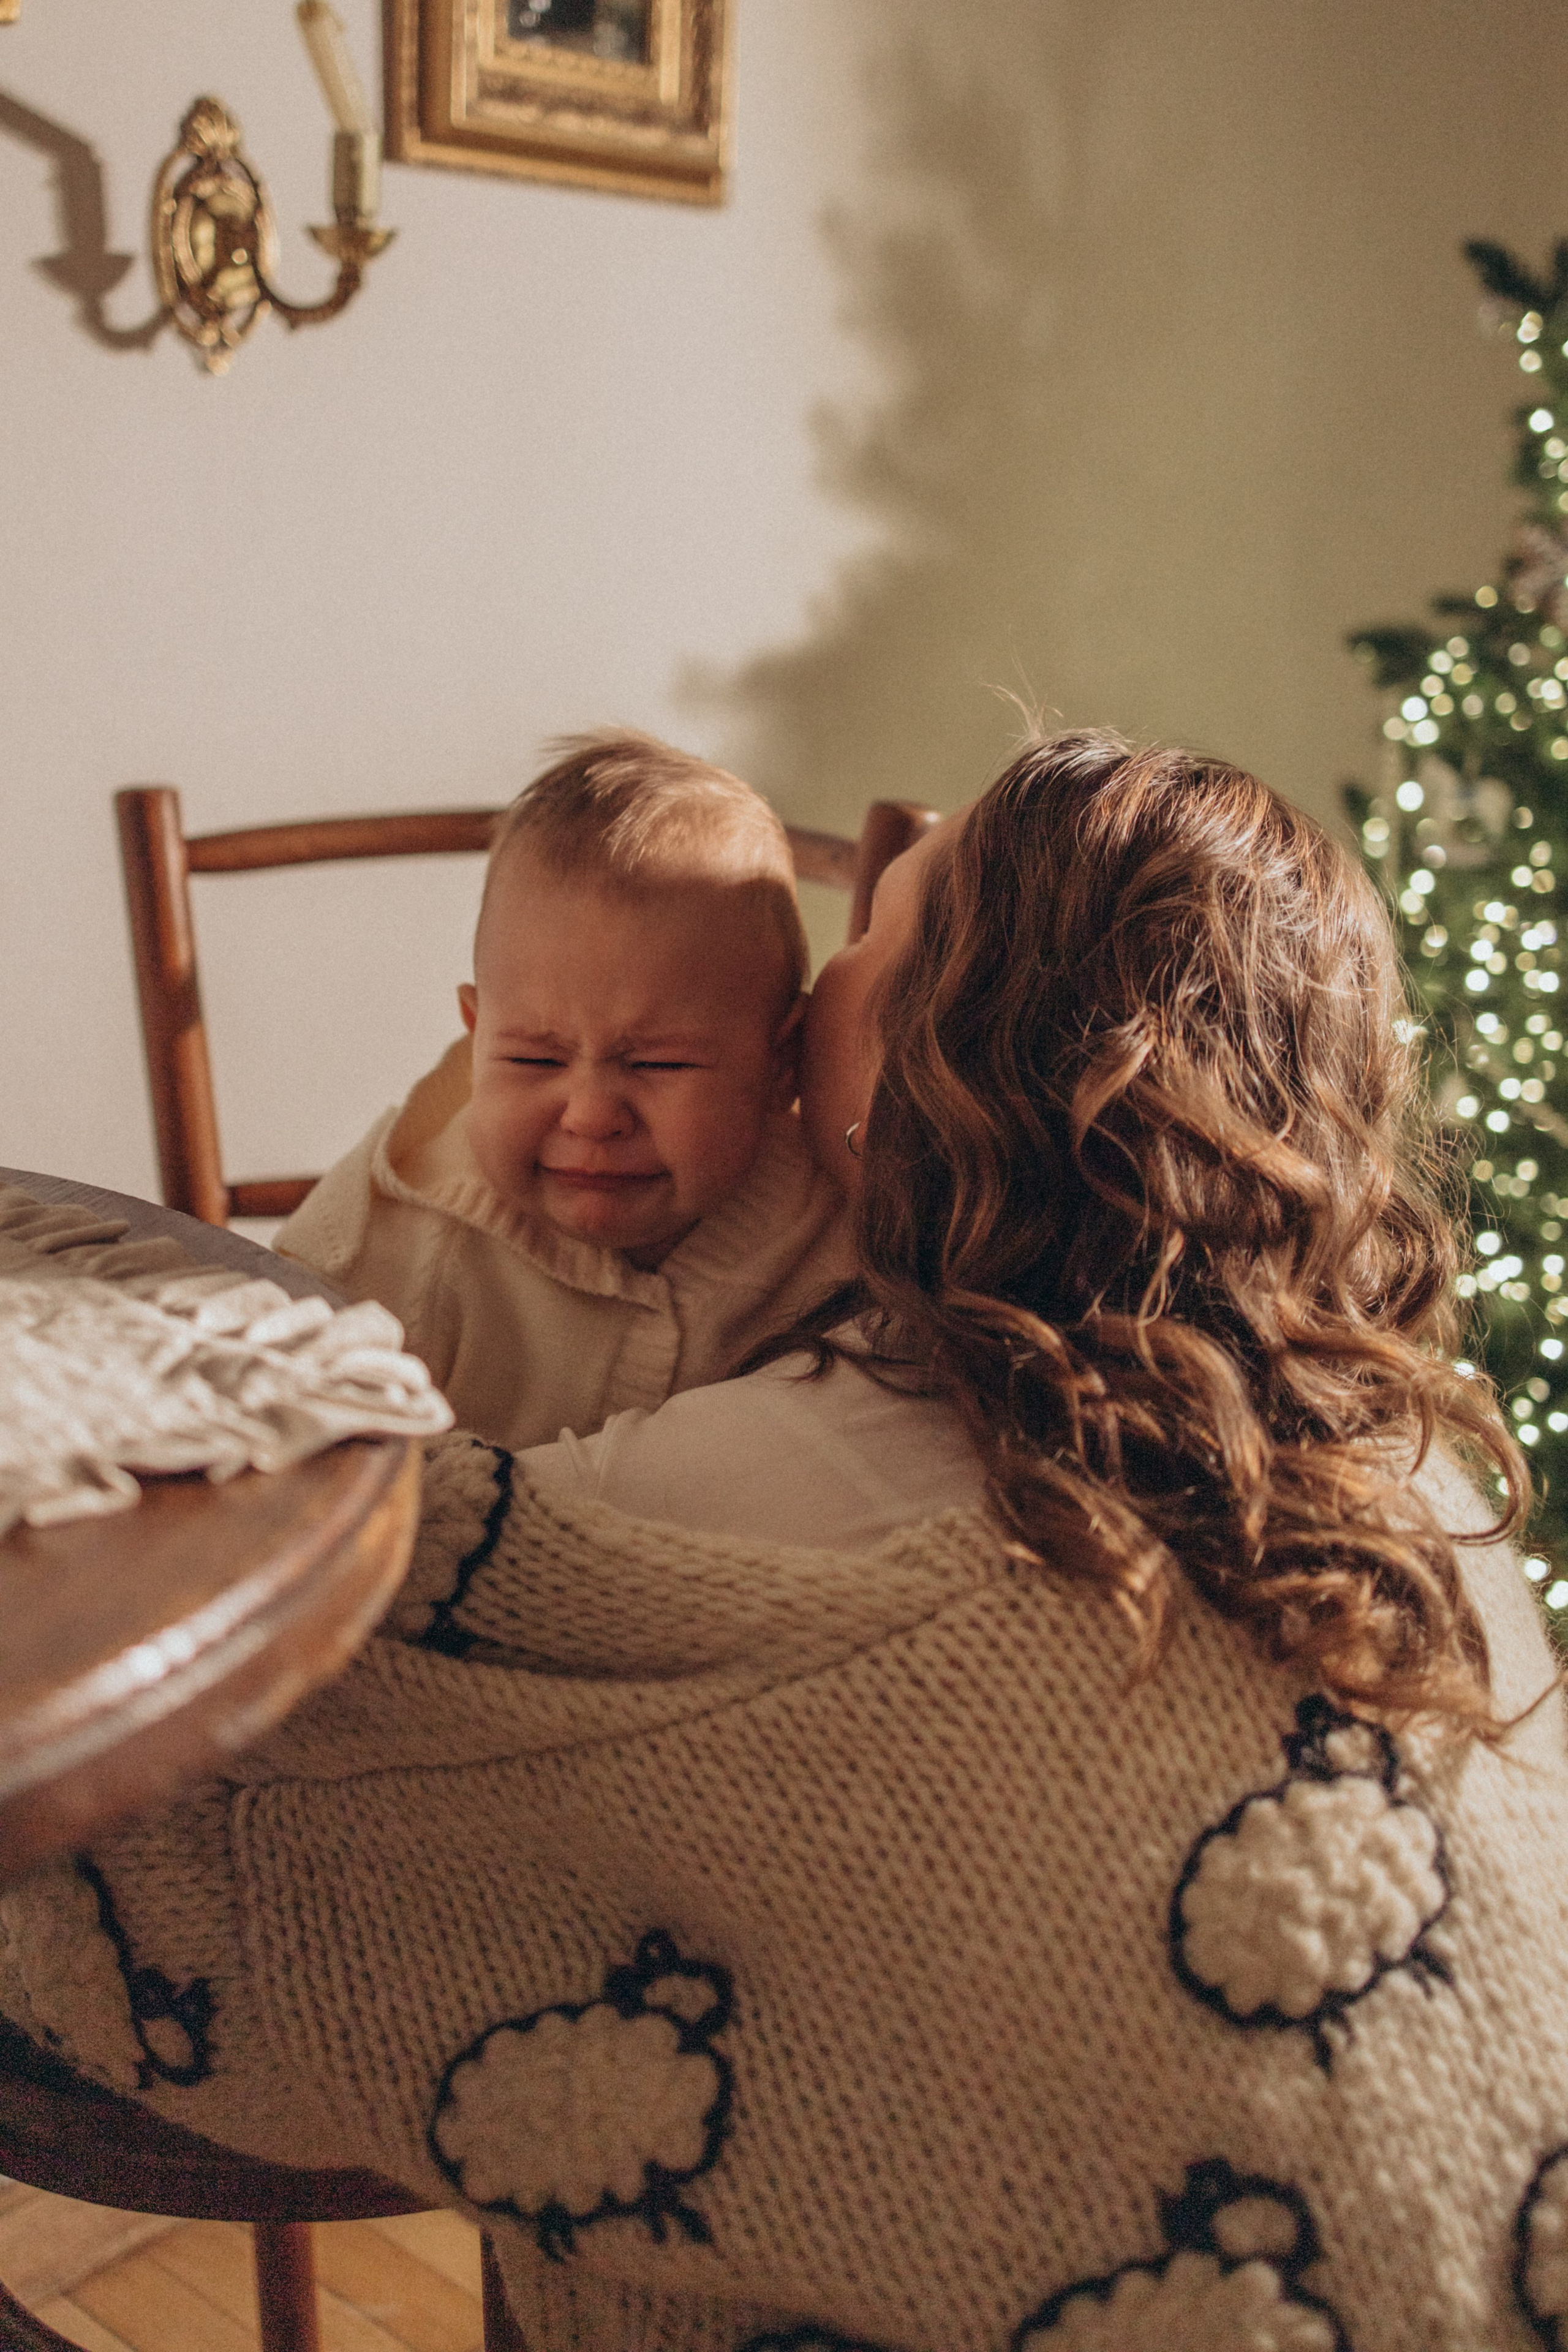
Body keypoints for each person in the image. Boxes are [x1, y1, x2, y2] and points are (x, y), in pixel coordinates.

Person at [5, 729, 1568, 2352]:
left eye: (871, 931)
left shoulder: (733, 1498)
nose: (826, 979)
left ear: (912, 1068)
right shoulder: (1408, 1450)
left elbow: (241, 1825)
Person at [274, 730, 851, 1449]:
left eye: (659, 1065)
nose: (590, 1115)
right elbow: (261, 1394)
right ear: (476, 1033)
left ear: (782, 1063)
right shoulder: (392, 1224)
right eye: (533, 1061)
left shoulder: (842, 1226)